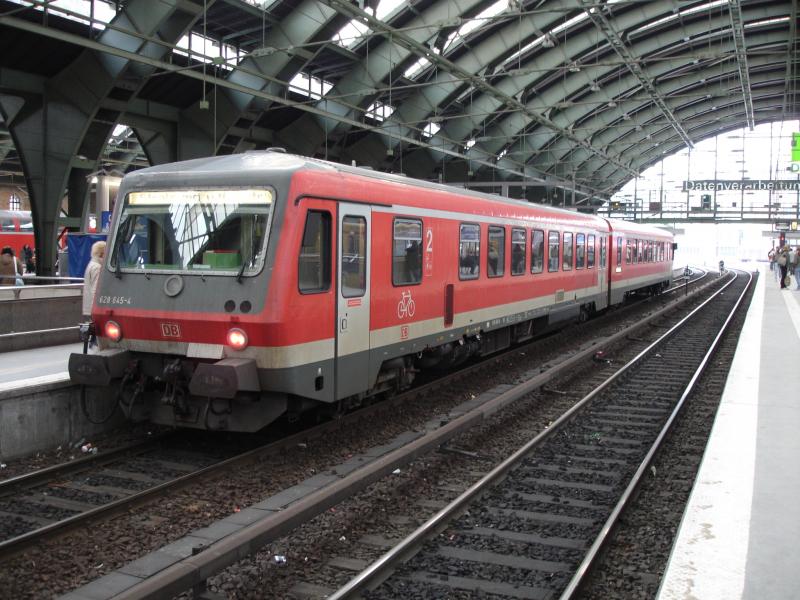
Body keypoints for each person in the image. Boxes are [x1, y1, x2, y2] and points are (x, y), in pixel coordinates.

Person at [82, 241, 106, 318]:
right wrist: (96, 309)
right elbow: (95, 290)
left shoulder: (91, 264)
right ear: (102, 254)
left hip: (89, 307)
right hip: (94, 309)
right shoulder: (97, 267)